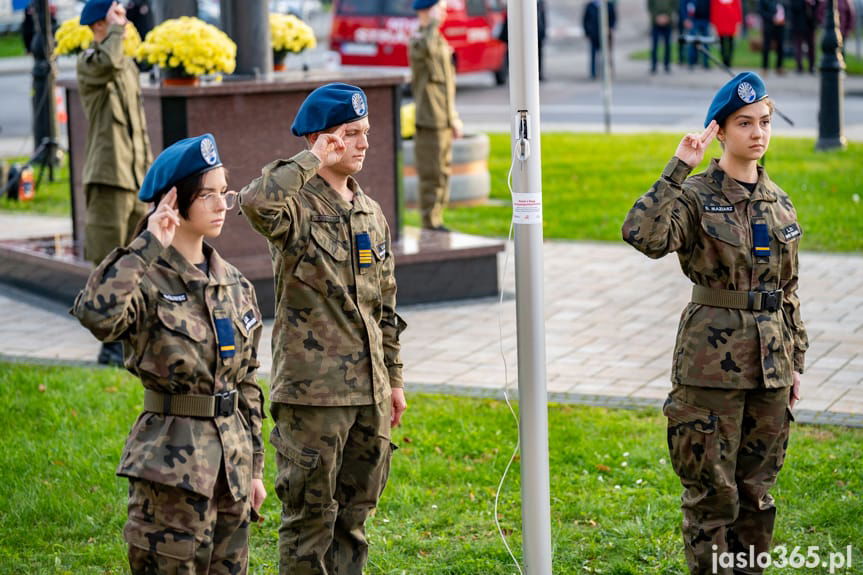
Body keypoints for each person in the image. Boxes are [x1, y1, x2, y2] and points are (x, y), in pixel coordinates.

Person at [622, 72, 807, 575]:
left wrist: (796, 365)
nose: (758, 133)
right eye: (744, 123)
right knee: (712, 499)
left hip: (770, 369)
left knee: (757, 497)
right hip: (710, 370)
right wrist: (679, 168)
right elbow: (643, 234)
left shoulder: (778, 201)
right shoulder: (696, 195)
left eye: (764, 122)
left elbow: (787, 291)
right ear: (720, 131)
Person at [72, 134, 267, 574]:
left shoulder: (234, 283)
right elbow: (95, 314)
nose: (222, 205)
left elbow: (248, 383)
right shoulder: (146, 277)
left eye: (225, 193)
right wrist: (147, 243)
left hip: (230, 472)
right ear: (175, 203)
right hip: (171, 472)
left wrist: (254, 468)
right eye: (209, 195)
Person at [239, 83, 407, 575]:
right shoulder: (295, 204)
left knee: (353, 522)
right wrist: (310, 159)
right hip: (313, 399)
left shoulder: (370, 212)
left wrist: (393, 379)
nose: (362, 143)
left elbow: (386, 305)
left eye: (366, 133)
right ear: (320, 140)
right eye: (349, 134)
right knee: (308, 524)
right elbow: (254, 203)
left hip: (368, 395)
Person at [77, 0, 152, 366]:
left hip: (135, 177)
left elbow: (139, 126)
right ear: (97, 24)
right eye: (114, 14)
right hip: (108, 177)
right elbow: (107, 61)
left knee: (137, 262)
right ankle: (108, 344)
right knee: (108, 263)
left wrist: (151, 176)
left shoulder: (127, 67)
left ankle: (131, 340)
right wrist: (117, 30)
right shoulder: (90, 61)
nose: (122, 18)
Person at [409, 0, 463, 231]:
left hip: (442, 118)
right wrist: (430, 23)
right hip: (428, 119)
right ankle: (430, 223)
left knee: (442, 173)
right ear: (427, 10)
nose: (443, 12)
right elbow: (427, 51)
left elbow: (447, 86)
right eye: (438, 7)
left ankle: (437, 219)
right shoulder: (420, 40)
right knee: (431, 175)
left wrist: (453, 118)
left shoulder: (438, 39)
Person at [583, 0, 617, 80]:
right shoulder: (590, 6)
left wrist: (610, 28)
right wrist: (587, 32)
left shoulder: (608, 5)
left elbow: (613, 18)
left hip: (606, 35)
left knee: (607, 55)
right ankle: (593, 73)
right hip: (594, 34)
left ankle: (607, 72)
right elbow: (585, 20)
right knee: (593, 55)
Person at [789, 0, 818, 74]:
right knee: (798, 47)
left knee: (812, 46)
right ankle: (799, 67)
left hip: (810, 25)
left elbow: (818, 7)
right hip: (799, 25)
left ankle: (812, 66)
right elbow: (794, 7)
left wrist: (812, 3)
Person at [711, 0, 743, 67]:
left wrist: (738, 25)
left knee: (731, 44)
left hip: (731, 24)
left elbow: (738, 12)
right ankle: (724, 61)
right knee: (722, 44)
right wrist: (714, 25)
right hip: (720, 23)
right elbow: (713, 11)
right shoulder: (715, 1)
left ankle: (729, 62)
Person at [759, 0, 787, 73]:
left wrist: (784, 19)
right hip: (769, 25)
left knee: (780, 46)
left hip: (780, 26)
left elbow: (785, 9)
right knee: (766, 46)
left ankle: (779, 67)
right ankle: (765, 67)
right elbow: (761, 12)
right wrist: (772, 18)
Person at [649, 0, 675, 74]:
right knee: (654, 45)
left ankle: (667, 65)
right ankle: (654, 65)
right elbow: (650, 6)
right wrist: (656, 17)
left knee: (667, 45)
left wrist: (667, 17)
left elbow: (674, 5)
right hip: (655, 22)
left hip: (668, 22)